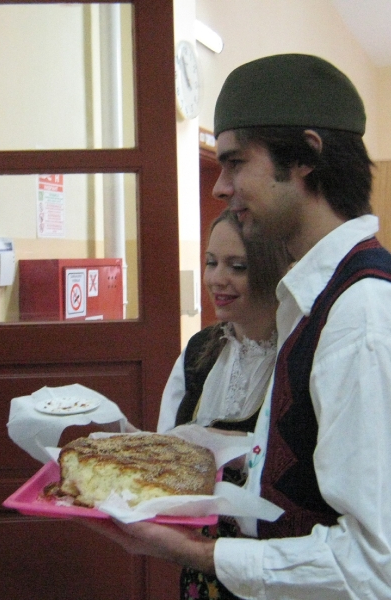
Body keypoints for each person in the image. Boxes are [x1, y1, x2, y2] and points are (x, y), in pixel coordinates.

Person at [87, 54, 391, 599]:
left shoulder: (366, 319)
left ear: (305, 157)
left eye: (235, 163)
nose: (220, 187)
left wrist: (195, 553)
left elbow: (383, 571)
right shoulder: (315, 302)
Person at [157, 208, 290, 600]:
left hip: (281, 568)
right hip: (206, 568)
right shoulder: (199, 351)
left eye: (238, 266)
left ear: (273, 270)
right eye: (211, 262)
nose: (216, 278)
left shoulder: (300, 355)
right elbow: (165, 451)